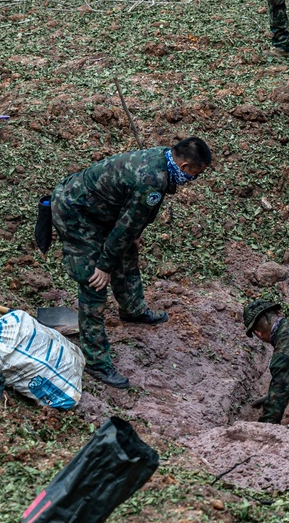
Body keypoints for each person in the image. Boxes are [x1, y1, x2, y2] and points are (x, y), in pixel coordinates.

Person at [51, 137, 212, 389]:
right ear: (183, 167)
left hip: (102, 210)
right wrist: (104, 265)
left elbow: (133, 218)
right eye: (195, 174)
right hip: (76, 211)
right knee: (93, 280)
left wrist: (135, 233)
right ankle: (96, 360)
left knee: (126, 252)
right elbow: (124, 228)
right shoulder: (153, 179)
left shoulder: (164, 159)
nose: (194, 179)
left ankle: (132, 309)